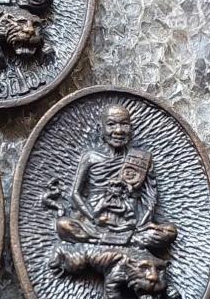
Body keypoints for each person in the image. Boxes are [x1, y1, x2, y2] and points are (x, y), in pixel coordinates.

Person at [56, 104, 176, 252]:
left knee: (170, 231)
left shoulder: (140, 158)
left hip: (129, 222)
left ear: (131, 129)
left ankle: (110, 240)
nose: (118, 130)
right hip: (95, 220)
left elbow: (150, 198)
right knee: (63, 225)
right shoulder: (90, 157)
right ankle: (121, 240)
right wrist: (92, 217)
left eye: (124, 124)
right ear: (100, 129)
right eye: (111, 124)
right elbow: (75, 193)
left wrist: (140, 223)